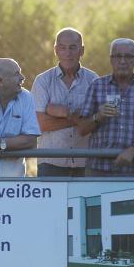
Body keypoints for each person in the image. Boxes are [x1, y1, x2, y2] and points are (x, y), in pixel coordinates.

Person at [78, 38, 134, 177]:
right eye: (118, 56)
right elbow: (81, 129)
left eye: (128, 56)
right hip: (97, 170)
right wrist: (98, 116)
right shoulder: (97, 86)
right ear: (111, 59)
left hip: (131, 170)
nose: (123, 61)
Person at [32, 28, 98, 177]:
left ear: (82, 50)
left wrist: (61, 113)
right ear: (56, 50)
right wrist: (76, 117)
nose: (68, 53)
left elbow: (96, 123)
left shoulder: (93, 80)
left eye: (73, 47)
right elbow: (40, 124)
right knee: (52, 201)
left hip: (85, 162)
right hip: (51, 162)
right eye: (62, 48)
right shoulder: (43, 81)